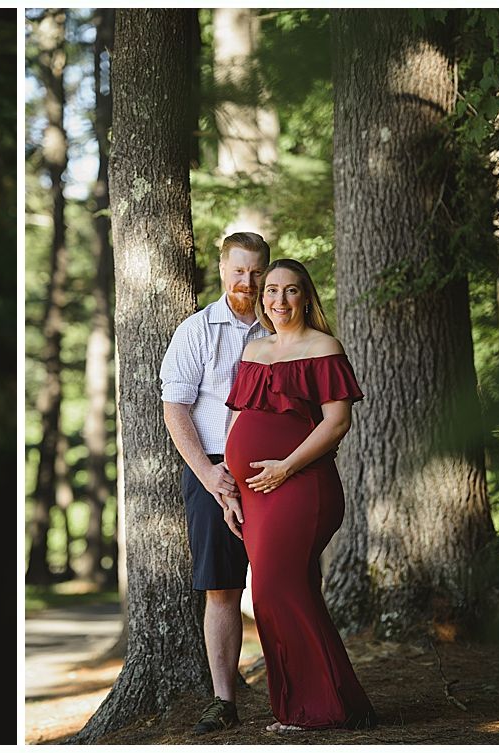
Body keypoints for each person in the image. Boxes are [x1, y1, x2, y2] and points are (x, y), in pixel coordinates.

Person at [222, 258, 377, 732]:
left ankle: (319, 709)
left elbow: (337, 422)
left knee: (273, 591)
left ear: (306, 296)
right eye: (271, 291)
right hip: (254, 494)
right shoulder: (254, 350)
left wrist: (286, 466)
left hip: (302, 485)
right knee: (291, 591)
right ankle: (326, 706)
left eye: (290, 291)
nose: (279, 300)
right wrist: (230, 487)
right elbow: (237, 418)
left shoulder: (323, 346)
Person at [160, 231, 270, 734]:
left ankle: (292, 688)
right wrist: (208, 475)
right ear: (223, 268)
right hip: (214, 469)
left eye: (255, 271)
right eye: (238, 270)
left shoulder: (280, 330)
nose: (246, 281)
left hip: (277, 468)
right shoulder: (197, 331)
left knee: (282, 581)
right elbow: (175, 406)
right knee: (223, 589)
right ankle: (224, 701)